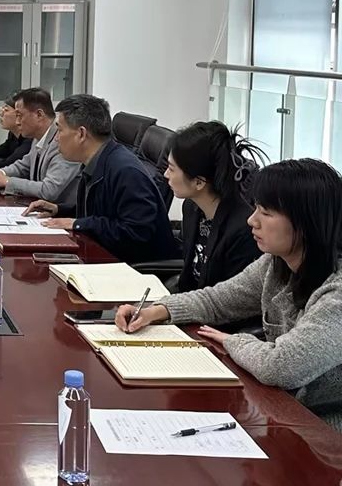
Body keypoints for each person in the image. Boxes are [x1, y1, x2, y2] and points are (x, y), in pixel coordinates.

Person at [115, 159, 342, 432]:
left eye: (266, 212)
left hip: (325, 430)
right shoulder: (276, 263)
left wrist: (232, 340)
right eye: (255, 208)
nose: (252, 220)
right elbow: (219, 300)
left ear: (307, 223)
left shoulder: (337, 294)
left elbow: (280, 366)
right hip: (282, 412)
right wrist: (158, 310)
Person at [27, 94, 178, 263]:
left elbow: (136, 232)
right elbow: (101, 211)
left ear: (81, 134)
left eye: (60, 130)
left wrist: (78, 224)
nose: (56, 138)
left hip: (133, 269)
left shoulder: (126, 171)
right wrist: (59, 209)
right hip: (104, 257)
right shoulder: (96, 161)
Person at [165, 121, 264, 292]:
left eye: (171, 169)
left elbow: (233, 299)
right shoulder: (191, 207)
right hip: (190, 302)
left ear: (199, 182)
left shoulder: (243, 230)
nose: (166, 174)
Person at [0, 87, 79, 204]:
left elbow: (49, 190)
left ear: (39, 115)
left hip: (60, 212)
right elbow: (23, 165)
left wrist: (7, 181)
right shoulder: (38, 137)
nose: (17, 122)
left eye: (19, 115)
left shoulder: (62, 140)